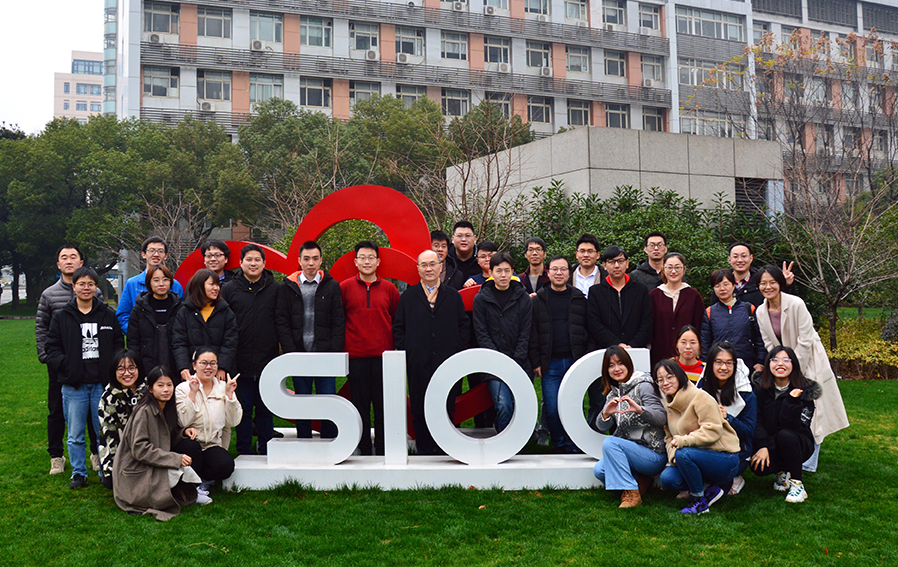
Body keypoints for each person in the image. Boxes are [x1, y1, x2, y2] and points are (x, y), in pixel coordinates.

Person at [755, 264, 849, 472]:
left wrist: (794, 368)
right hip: (783, 363)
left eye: (772, 282)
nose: (768, 287)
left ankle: (809, 460)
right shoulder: (761, 311)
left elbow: (805, 340)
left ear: (780, 283)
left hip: (809, 360)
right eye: (763, 283)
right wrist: (778, 364)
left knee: (814, 409)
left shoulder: (796, 304)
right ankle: (789, 455)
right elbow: (769, 342)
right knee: (788, 408)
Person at [45, 267, 124, 488]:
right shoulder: (62, 316)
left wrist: (112, 370)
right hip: (74, 385)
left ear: (96, 287)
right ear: (74, 287)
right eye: (81, 284)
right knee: (75, 433)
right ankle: (78, 473)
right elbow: (52, 348)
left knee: (103, 431)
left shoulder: (107, 314)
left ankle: (106, 470)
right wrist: (67, 366)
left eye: (90, 284)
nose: (86, 288)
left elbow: (118, 343)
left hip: (102, 384)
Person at [393, 250, 469, 455]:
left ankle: (445, 448)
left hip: (447, 362)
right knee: (420, 406)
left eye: (433, 264)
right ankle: (424, 449)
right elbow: (399, 328)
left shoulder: (453, 296)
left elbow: (464, 326)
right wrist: (409, 350)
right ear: (418, 268)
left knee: (447, 405)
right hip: (418, 362)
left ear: (440, 266)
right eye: (424, 265)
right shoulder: (408, 297)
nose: (429, 269)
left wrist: (456, 350)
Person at [36, 245, 104, 475]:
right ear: (58, 264)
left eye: (73, 257)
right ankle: (57, 456)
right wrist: (49, 358)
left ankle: (95, 453)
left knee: (93, 410)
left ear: (81, 262)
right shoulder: (49, 294)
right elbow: (41, 328)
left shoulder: (95, 292)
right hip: (61, 364)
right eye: (63, 258)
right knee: (56, 409)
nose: (68, 261)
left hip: (91, 363)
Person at [275, 240, 345, 440]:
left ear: (321, 260)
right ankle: (303, 440)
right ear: (299, 261)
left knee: (328, 400)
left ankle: (329, 441)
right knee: (301, 401)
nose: (311, 263)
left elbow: (338, 320)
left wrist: (332, 352)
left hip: (324, 355)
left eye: (315, 258)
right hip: (299, 354)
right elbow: (282, 321)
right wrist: (291, 351)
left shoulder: (331, 286)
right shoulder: (288, 287)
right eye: (306, 259)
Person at [113, 366, 202, 520]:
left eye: (169, 385)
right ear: (150, 389)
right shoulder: (144, 411)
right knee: (178, 468)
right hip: (136, 469)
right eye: (160, 385)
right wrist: (174, 459)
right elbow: (140, 450)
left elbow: (165, 436)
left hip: (151, 461)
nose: (166, 389)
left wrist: (183, 432)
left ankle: (187, 491)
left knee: (190, 448)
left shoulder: (166, 408)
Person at [656, 360, 741, 514]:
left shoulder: (700, 397)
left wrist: (683, 442)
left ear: (680, 376)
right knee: (668, 479)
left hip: (724, 458)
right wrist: (673, 455)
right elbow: (668, 438)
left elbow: (713, 431)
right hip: (693, 457)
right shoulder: (668, 406)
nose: (665, 383)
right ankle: (711, 489)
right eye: (660, 380)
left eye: (669, 377)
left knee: (684, 453)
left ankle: (698, 500)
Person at [340, 241, 400, 456]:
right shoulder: (345, 288)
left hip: (384, 358)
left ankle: (383, 448)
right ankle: (364, 448)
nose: (367, 261)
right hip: (356, 357)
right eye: (362, 257)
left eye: (371, 257)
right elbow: (339, 319)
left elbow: (396, 319)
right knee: (360, 406)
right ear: (355, 262)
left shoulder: (390, 289)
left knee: (383, 406)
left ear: (378, 261)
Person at [220, 244, 281, 455]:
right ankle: (244, 450)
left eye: (257, 260)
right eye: (249, 259)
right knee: (243, 409)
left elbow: (280, 321)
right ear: (241, 263)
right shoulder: (229, 289)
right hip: (239, 361)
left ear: (264, 263)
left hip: (268, 361)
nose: (253, 263)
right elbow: (223, 324)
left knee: (265, 408)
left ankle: (266, 449)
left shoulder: (275, 289)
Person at [592, 347, 667, 508]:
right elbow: (601, 426)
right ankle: (641, 481)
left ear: (628, 364)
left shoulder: (643, 386)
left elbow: (661, 418)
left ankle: (632, 494)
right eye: (611, 365)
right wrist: (605, 414)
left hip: (653, 453)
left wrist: (641, 410)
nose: (616, 369)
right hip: (630, 454)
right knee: (599, 470)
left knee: (610, 443)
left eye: (620, 363)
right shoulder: (614, 392)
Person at [529, 255, 588, 453]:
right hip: (550, 363)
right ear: (548, 272)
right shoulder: (539, 299)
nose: (559, 273)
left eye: (563, 269)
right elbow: (533, 333)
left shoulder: (579, 298)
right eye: (555, 269)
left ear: (569, 273)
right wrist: (536, 362)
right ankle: (559, 444)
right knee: (552, 408)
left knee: (573, 408)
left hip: (574, 361)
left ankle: (573, 445)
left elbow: (587, 329)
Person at [751, 347, 821, 503]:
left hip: (798, 442)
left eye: (786, 360)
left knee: (786, 435)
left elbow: (797, 426)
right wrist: (763, 446)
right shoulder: (760, 389)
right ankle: (782, 474)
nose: (780, 364)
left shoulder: (804, 390)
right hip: (771, 441)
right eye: (775, 360)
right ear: (768, 364)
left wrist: (791, 402)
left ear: (793, 364)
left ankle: (797, 485)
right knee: (758, 467)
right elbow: (757, 420)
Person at [472, 252, 532, 433]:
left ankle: (519, 440)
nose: (503, 275)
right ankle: (506, 441)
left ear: (513, 272)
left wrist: (517, 358)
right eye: (499, 271)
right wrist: (498, 360)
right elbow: (481, 333)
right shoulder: (481, 299)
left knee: (519, 404)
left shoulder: (523, 298)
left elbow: (526, 331)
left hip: (520, 362)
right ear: (491, 272)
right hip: (493, 364)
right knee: (503, 404)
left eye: (507, 270)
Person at [175, 348, 242, 496]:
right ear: (194, 366)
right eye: (203, 363)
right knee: (191, 447)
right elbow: (183, 421)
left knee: (226, 465)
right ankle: (191, 484)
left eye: (213, 363)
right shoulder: (183, 388)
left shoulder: (224, 387)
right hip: (190, 443)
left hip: (211, 444)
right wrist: (192, 393)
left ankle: (202, 479)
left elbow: (233, 422)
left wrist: (230, 396)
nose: (208, 367)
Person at [697, 342, 757, 496]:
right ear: (710, 364)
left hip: (736, 450)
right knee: (672, 479)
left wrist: (727, 418)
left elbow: (749, 431)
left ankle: (734, 476)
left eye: (729, 363)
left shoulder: (745, 393)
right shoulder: (702, 387)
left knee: (716, 474)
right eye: (718, 362)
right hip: (706, 444)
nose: (724, 367)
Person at [171, 269, 238, 384]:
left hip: (218, 374)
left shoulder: (226, 311)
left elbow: (230, 342)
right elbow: (179, 342)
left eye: (217, 285)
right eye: (212, 284)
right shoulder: (185, 312)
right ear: (199, 286)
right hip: (192, 372)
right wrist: (183, 367)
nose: (216, 288)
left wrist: (222, 367)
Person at [587, 245, 653, 350]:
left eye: (620, 261)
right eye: (611, 262)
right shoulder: (596, 292)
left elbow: (647, 322)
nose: (616, 266)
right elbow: (595, 324)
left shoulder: (640, 290)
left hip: (636, 349)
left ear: (627, 263)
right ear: (604, 265)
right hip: (607, 350)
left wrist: (633, 345)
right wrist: (616, 344)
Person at [701, 269, 766, 373]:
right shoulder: (710, 312)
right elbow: (705, 343)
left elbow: (759, 338)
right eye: (717, 286)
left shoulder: (749, 308)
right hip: (720, 366)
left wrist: (760, 362)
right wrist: (706, 365)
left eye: (726, 284)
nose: (722, 289)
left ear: (733, 285)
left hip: (747, 364)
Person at [116, 237, 184, 334]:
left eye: (160, 251)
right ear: (143, 254)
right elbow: (122, 316)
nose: (156, 254)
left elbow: (182, 316)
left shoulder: (175, 285)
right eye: (151, 250)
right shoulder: (132, 284)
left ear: (166, 256)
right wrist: (135, 333)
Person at [98, 350, 145, 489]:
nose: (127, 373)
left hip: (147, 449)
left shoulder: (149, 391)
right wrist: (112, 468)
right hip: (122, 451)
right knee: (112, 482)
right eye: (121, 369)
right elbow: (109, 437)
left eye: (131, 368)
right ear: (114, 371)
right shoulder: (108, 398)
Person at [649, 252, 704, 366]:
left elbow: (699, 326)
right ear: (663, 269)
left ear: (684, 269)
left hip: (687, 355)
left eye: (677, 267)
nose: (673, 271)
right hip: (659, 354)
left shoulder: (693, 295)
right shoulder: (654, 295)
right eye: (669, 267)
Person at [127, 265, 182, 378]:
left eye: (165, 279)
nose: (161, 284)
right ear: (149, 283)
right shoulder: (140, 309)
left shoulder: (180, 308)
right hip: (147, 367)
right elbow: (133, 341)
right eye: (156, 280)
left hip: (175, 366)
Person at [727, 242, 795, 307]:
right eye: (735, 257)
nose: (740, 260)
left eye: (744, 256)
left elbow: (780, 300)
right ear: (729, 260)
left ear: (751, 258)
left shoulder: (762, 278)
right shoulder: (723, 280)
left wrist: (786, 284)